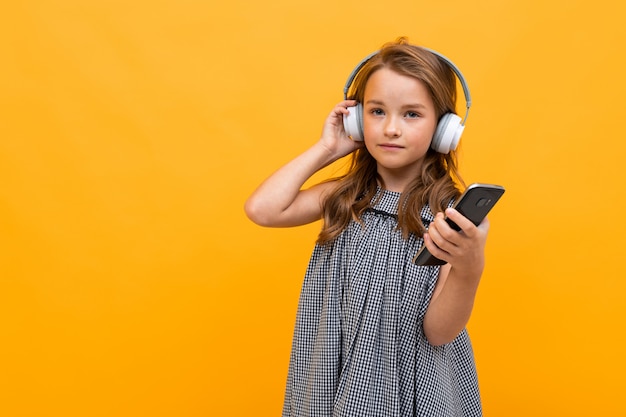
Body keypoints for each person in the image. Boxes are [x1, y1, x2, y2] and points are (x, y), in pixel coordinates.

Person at [245, 37, 487, 417]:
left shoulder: (448, 215)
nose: (391, 128)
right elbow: (263, 209)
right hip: (332, 374)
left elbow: (439, 332)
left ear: (444, 129)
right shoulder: (344, 197)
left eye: (411, 114)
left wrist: (469, 268)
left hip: (412, 380)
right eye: (376, 112)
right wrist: (326, 149)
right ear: (357, 119)